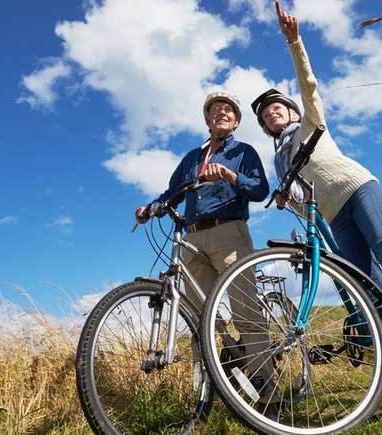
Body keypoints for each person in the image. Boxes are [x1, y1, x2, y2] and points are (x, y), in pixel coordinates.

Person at [250, 0, 382, 417]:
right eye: (264, 113)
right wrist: (283, 196)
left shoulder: (310, 121)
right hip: (335, 216)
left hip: (358, 189)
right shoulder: (279, 161)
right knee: (372, 291)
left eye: (277, 106)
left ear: (290, 111)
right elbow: (299, 199)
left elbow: (308, 84)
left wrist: (295, 43)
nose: (272, 112)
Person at [135, 90, 278, 402]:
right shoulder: (191, 158)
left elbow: (260, 189)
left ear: (237, 121)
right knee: (200, 315)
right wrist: (150, 209)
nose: (222, 113)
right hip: (192, 236)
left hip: (229, 231)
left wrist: (231, 175)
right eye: (215, 110)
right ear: (207, 119)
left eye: (228, 110)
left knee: (244, 307)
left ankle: (266, 387)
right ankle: (209, 388)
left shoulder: (244, 152)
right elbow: (171, 193)